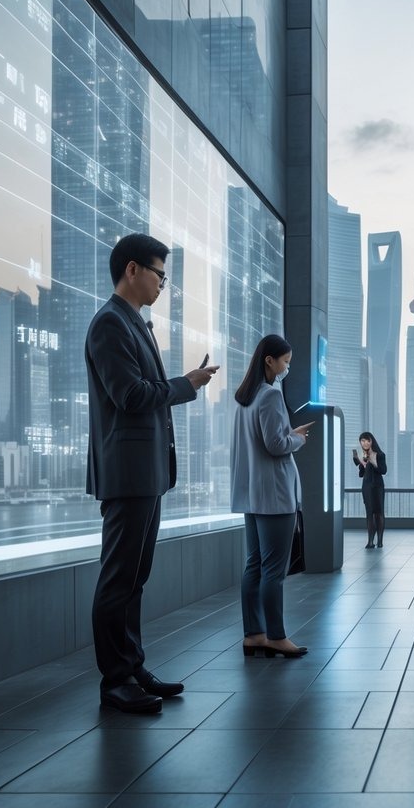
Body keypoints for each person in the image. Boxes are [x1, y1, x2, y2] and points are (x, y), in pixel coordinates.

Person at [86, 233, 219, 714]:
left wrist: (183, 384)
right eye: (161, 274)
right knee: (118, 577)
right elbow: (131, 395)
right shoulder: (109, 325)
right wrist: (186, 384)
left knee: (136, 577)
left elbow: (146, 391)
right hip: (126, 473)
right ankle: (115, 680)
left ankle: (132, 666)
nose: (165, 283)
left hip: (147, 473)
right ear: (132, 270)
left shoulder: (136, 324)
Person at [231, 334, 314, 659]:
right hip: (275, 495)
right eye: (285, 362)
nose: (286, 368)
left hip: (252, 494)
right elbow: (276, 445)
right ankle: (277, 636)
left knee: (254, 565)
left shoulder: (245, 397)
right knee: (274, 571)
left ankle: (254, 634)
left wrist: (286, 436)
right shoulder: (269, 396)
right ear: (270, 360)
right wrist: (297, 438)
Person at [353, 432, 388, 548]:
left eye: (367, 440)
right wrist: (362, 464)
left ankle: (380, 541)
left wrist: (372, 461)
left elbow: (383, 471)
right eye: (362, 441)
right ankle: (370, 541)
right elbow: (361, 474)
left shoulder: (380, 454)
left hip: (378, 486)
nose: (365, 443)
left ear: (372, 441)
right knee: (369, 514)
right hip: (367, 487)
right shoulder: (363, 455)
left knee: (379, 513)